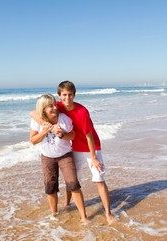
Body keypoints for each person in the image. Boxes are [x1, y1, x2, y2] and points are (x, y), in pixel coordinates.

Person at [31, 82, 114, 224]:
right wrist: (50, 129)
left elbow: (89, 136)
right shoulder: (57, 106)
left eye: (70, 95)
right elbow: (33, 113)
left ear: (74, 95)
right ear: (59, 96)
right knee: (73, 181)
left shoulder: (82, 111)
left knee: (98, 179)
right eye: (64, 95)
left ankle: (108, 213)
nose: (67, 98)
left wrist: (94, 158)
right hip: (74, 148)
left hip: (91, 147)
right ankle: (67, 204)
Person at [30, 94, 88, 223]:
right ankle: (54, 214)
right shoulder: (37, 120)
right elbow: (33, 140)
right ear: (43, 108)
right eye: (50, 106)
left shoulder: (64, 119)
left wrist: (62, 134)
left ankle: (84, 217)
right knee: (50, 187)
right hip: (47, 157)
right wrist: (45, 131)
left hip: (65, 155)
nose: (55, 107)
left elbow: (72, 136)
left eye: (55, 104)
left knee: (73, 184)